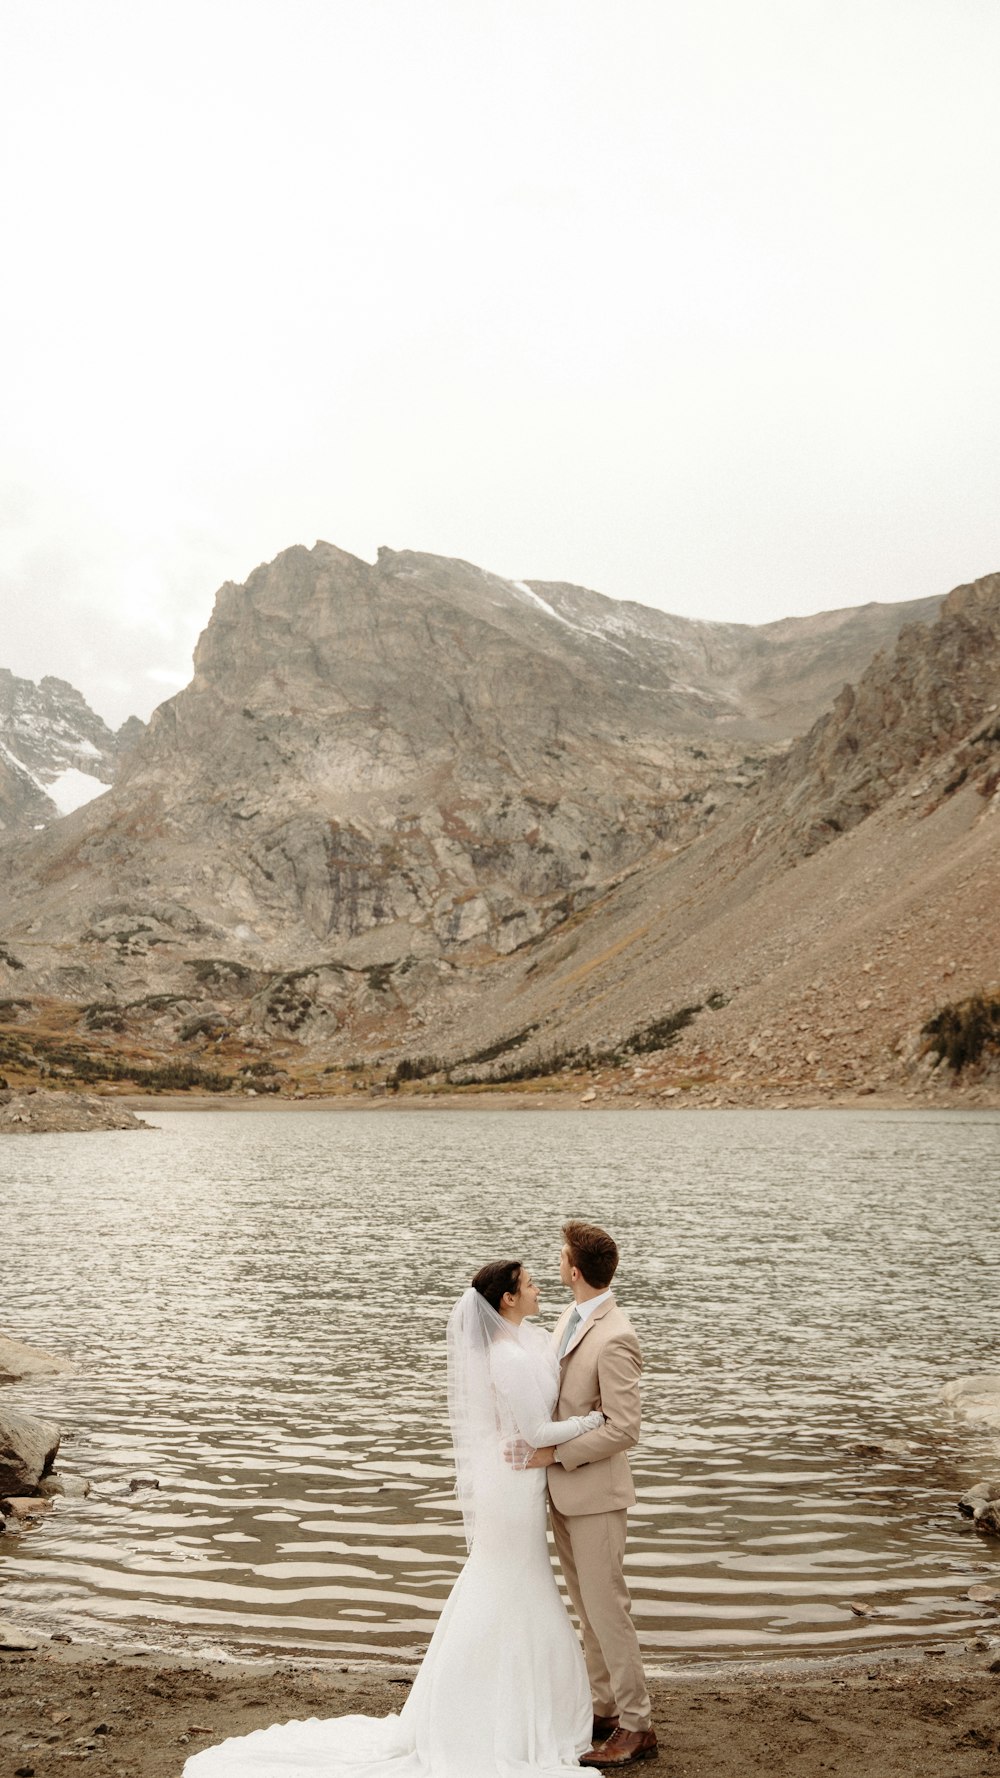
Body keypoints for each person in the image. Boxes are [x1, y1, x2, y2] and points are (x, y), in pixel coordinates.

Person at [182, 1259, 607, 1778]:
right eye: (530, 1284)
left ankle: (494, 1704)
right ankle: (497, 1714)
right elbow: (538, 1433)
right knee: (510, 1584)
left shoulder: (522, 1344)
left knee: (506, 1583)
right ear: (508, 1301)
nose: (540, 1288)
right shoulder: (509, 1357)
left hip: (515, 1481)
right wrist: (591, 1421)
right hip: (513, 1485)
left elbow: (556, 1358)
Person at [523, 1222, 656, 1768]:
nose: (557, 1264)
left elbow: (625, 1429)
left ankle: (637, 1724)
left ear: (573, 1271)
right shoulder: (570, 1317)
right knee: (586, 1609)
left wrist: (555, 1454)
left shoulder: (616, 1335)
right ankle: (602, 1708)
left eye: (560, 1258)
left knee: (608, 1610)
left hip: (596, 1495)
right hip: (565, 1495)